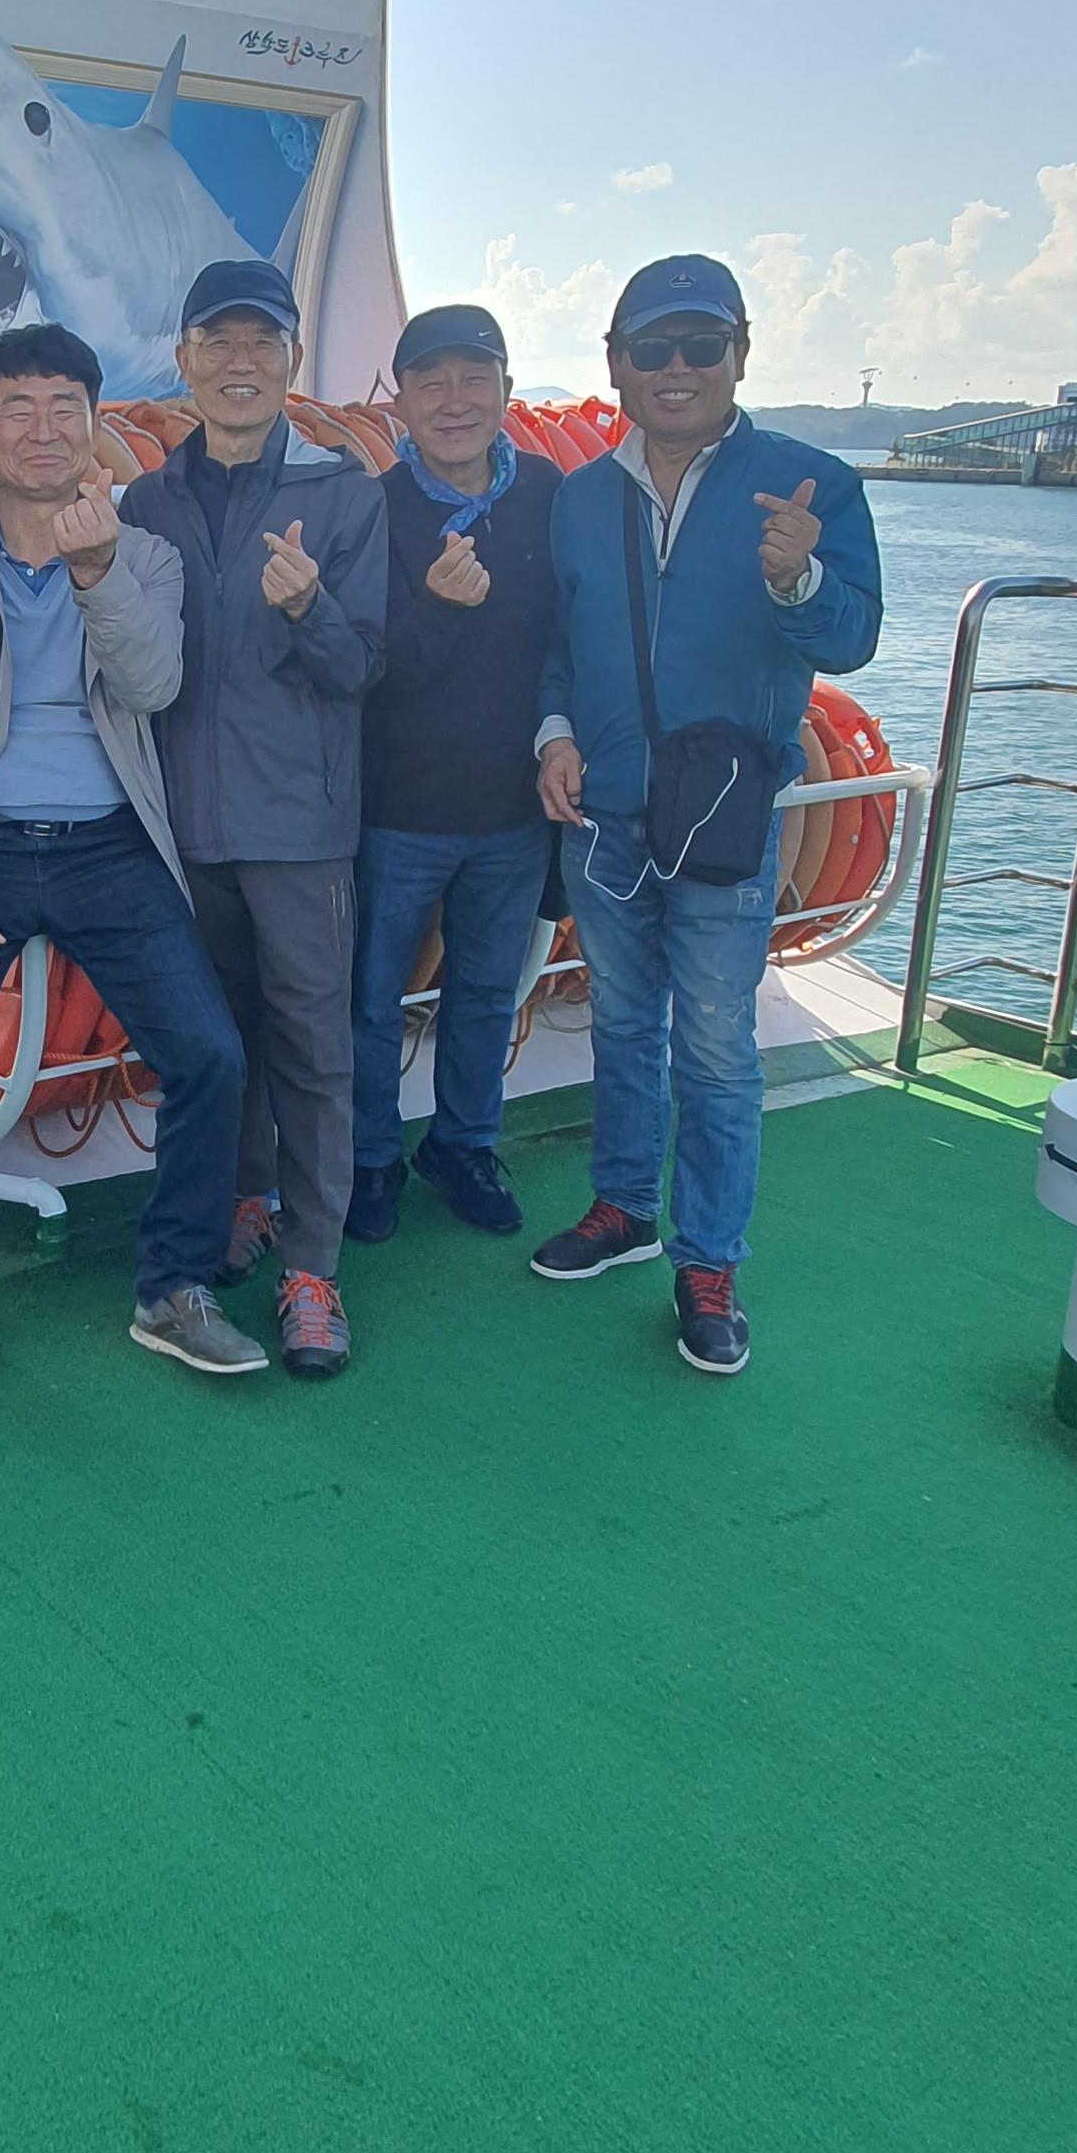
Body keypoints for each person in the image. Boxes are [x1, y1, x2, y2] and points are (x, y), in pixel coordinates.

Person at [0, 322, 267, 1421]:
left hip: (107, 845)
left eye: (65, 409)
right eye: (19, 408)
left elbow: (152, 685)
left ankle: (173, 1285)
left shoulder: (144, 555)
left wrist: (96, 573)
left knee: (210, 1055)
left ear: (95, 426)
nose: (42, 430)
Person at [531, 251, 882, 1376]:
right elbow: (556, 642)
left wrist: (797, 581)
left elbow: (852, 639)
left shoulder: (810, 484)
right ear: (615, 363)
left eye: (700, 345)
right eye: (653, 347)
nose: (675, 368)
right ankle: (624, 1207)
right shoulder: (580, 498)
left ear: (740, 355)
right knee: (624, 1022)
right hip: (605, 816)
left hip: (724, 819)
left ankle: (709, 1259)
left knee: (720, 1045)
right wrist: (553, 734)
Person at [118, 259, 387, 1379]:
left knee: (313, 1051)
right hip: (185, 829)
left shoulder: (345, 494)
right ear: (183, 360)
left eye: (261, 343)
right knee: (218, 1043)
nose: (239, 363)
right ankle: (244, 1195)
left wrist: (310, 607)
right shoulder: (148, 499)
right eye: (217, 343)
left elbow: (363, 666)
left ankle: (312, 1269)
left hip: (299, 831)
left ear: (290, 360)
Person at [347, 304, 560, 1245]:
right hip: (394, 814)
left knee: (485, 994)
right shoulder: (373, 508)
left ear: (507, 390)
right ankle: (368, 1157)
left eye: (475, 378)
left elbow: (574, 638)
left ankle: (464, 1145)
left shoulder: (548, 494)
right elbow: (357, 666)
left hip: (512, 811)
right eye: (430, 381)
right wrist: (433, 607)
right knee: (369, 1002)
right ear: (398, 400)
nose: (454, 399)